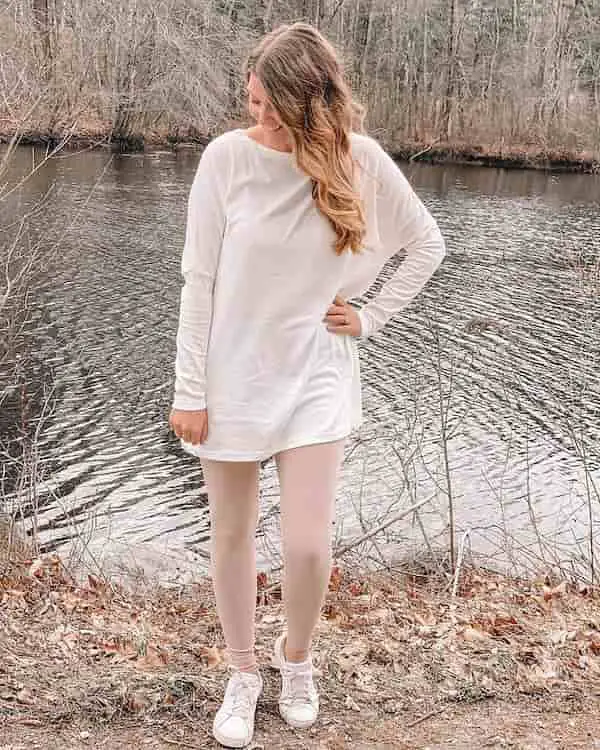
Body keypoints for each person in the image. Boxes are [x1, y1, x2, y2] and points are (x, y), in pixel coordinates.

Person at [168, 21, 446, 749]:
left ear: (307, 101)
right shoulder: (225, 160)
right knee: (231, 535)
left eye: (270, 104)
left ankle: (296, 660)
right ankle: (242, 671)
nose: (257, 115)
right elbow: (198, 282)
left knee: (307, 547)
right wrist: (188, 389)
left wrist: (372, 314)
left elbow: (427, 245)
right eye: (252, 100)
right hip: (230, 376)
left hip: (316, 377)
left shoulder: (362, 162)